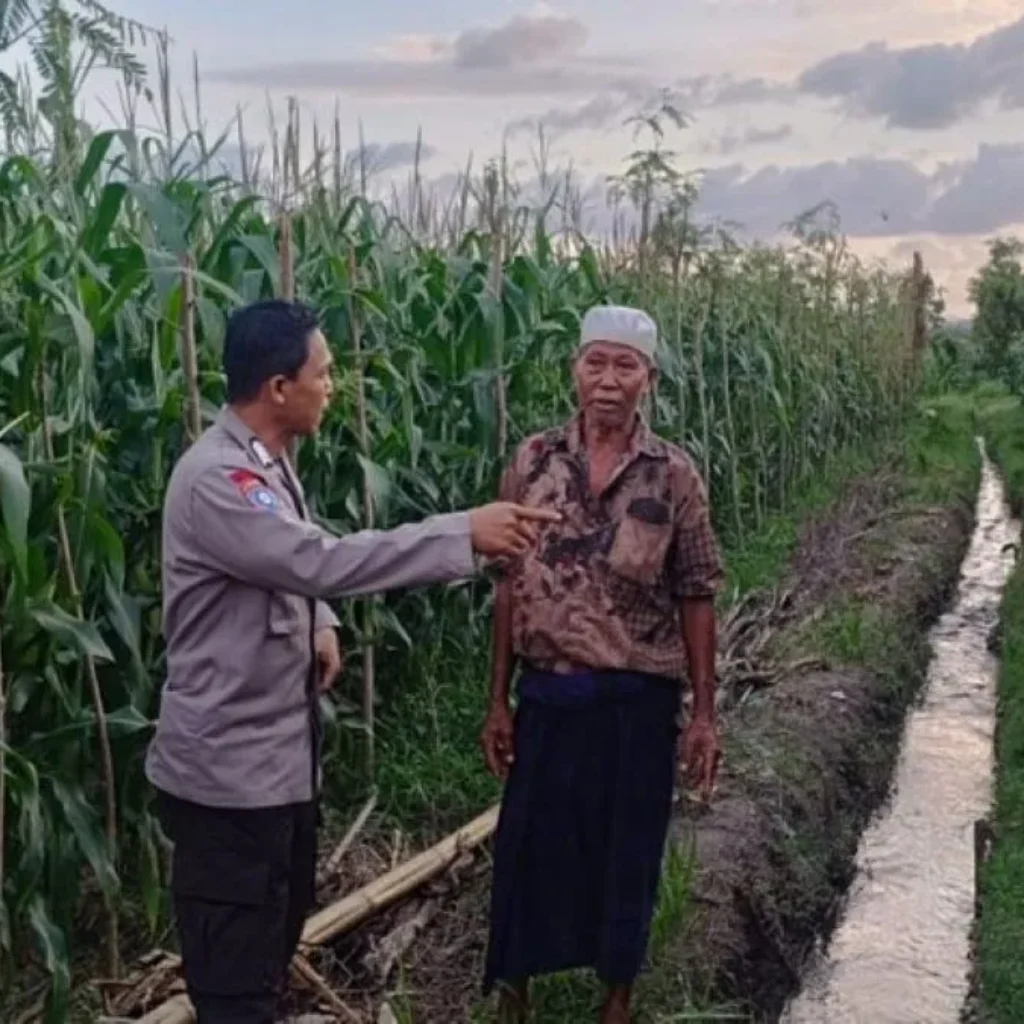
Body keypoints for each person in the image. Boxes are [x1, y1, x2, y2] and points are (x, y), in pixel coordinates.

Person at [146, 299, 559, 1024]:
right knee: (235, 988)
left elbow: (280, 555)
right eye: (324, 373)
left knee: (268, 958)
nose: (332, 387)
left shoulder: (264, 462)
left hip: (276, 773)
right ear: (279, 388)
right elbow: (313, 559)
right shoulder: (217, 477)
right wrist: (462, 533)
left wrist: (320, 620)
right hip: (228, 786)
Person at [480, 304, 724, 1024]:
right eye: (596, 363)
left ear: (649, 379)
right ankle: (515, 995)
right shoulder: (532, 461)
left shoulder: (673, 475)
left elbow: (697, 592)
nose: (608, 380)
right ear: (575, 370)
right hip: (549, 698)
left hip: (635, 705)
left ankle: (615, 1001)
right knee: (528, 852)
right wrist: (497, 701)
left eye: (626, 366)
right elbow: (507, 584)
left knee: (627, 856)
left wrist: (704, 715)